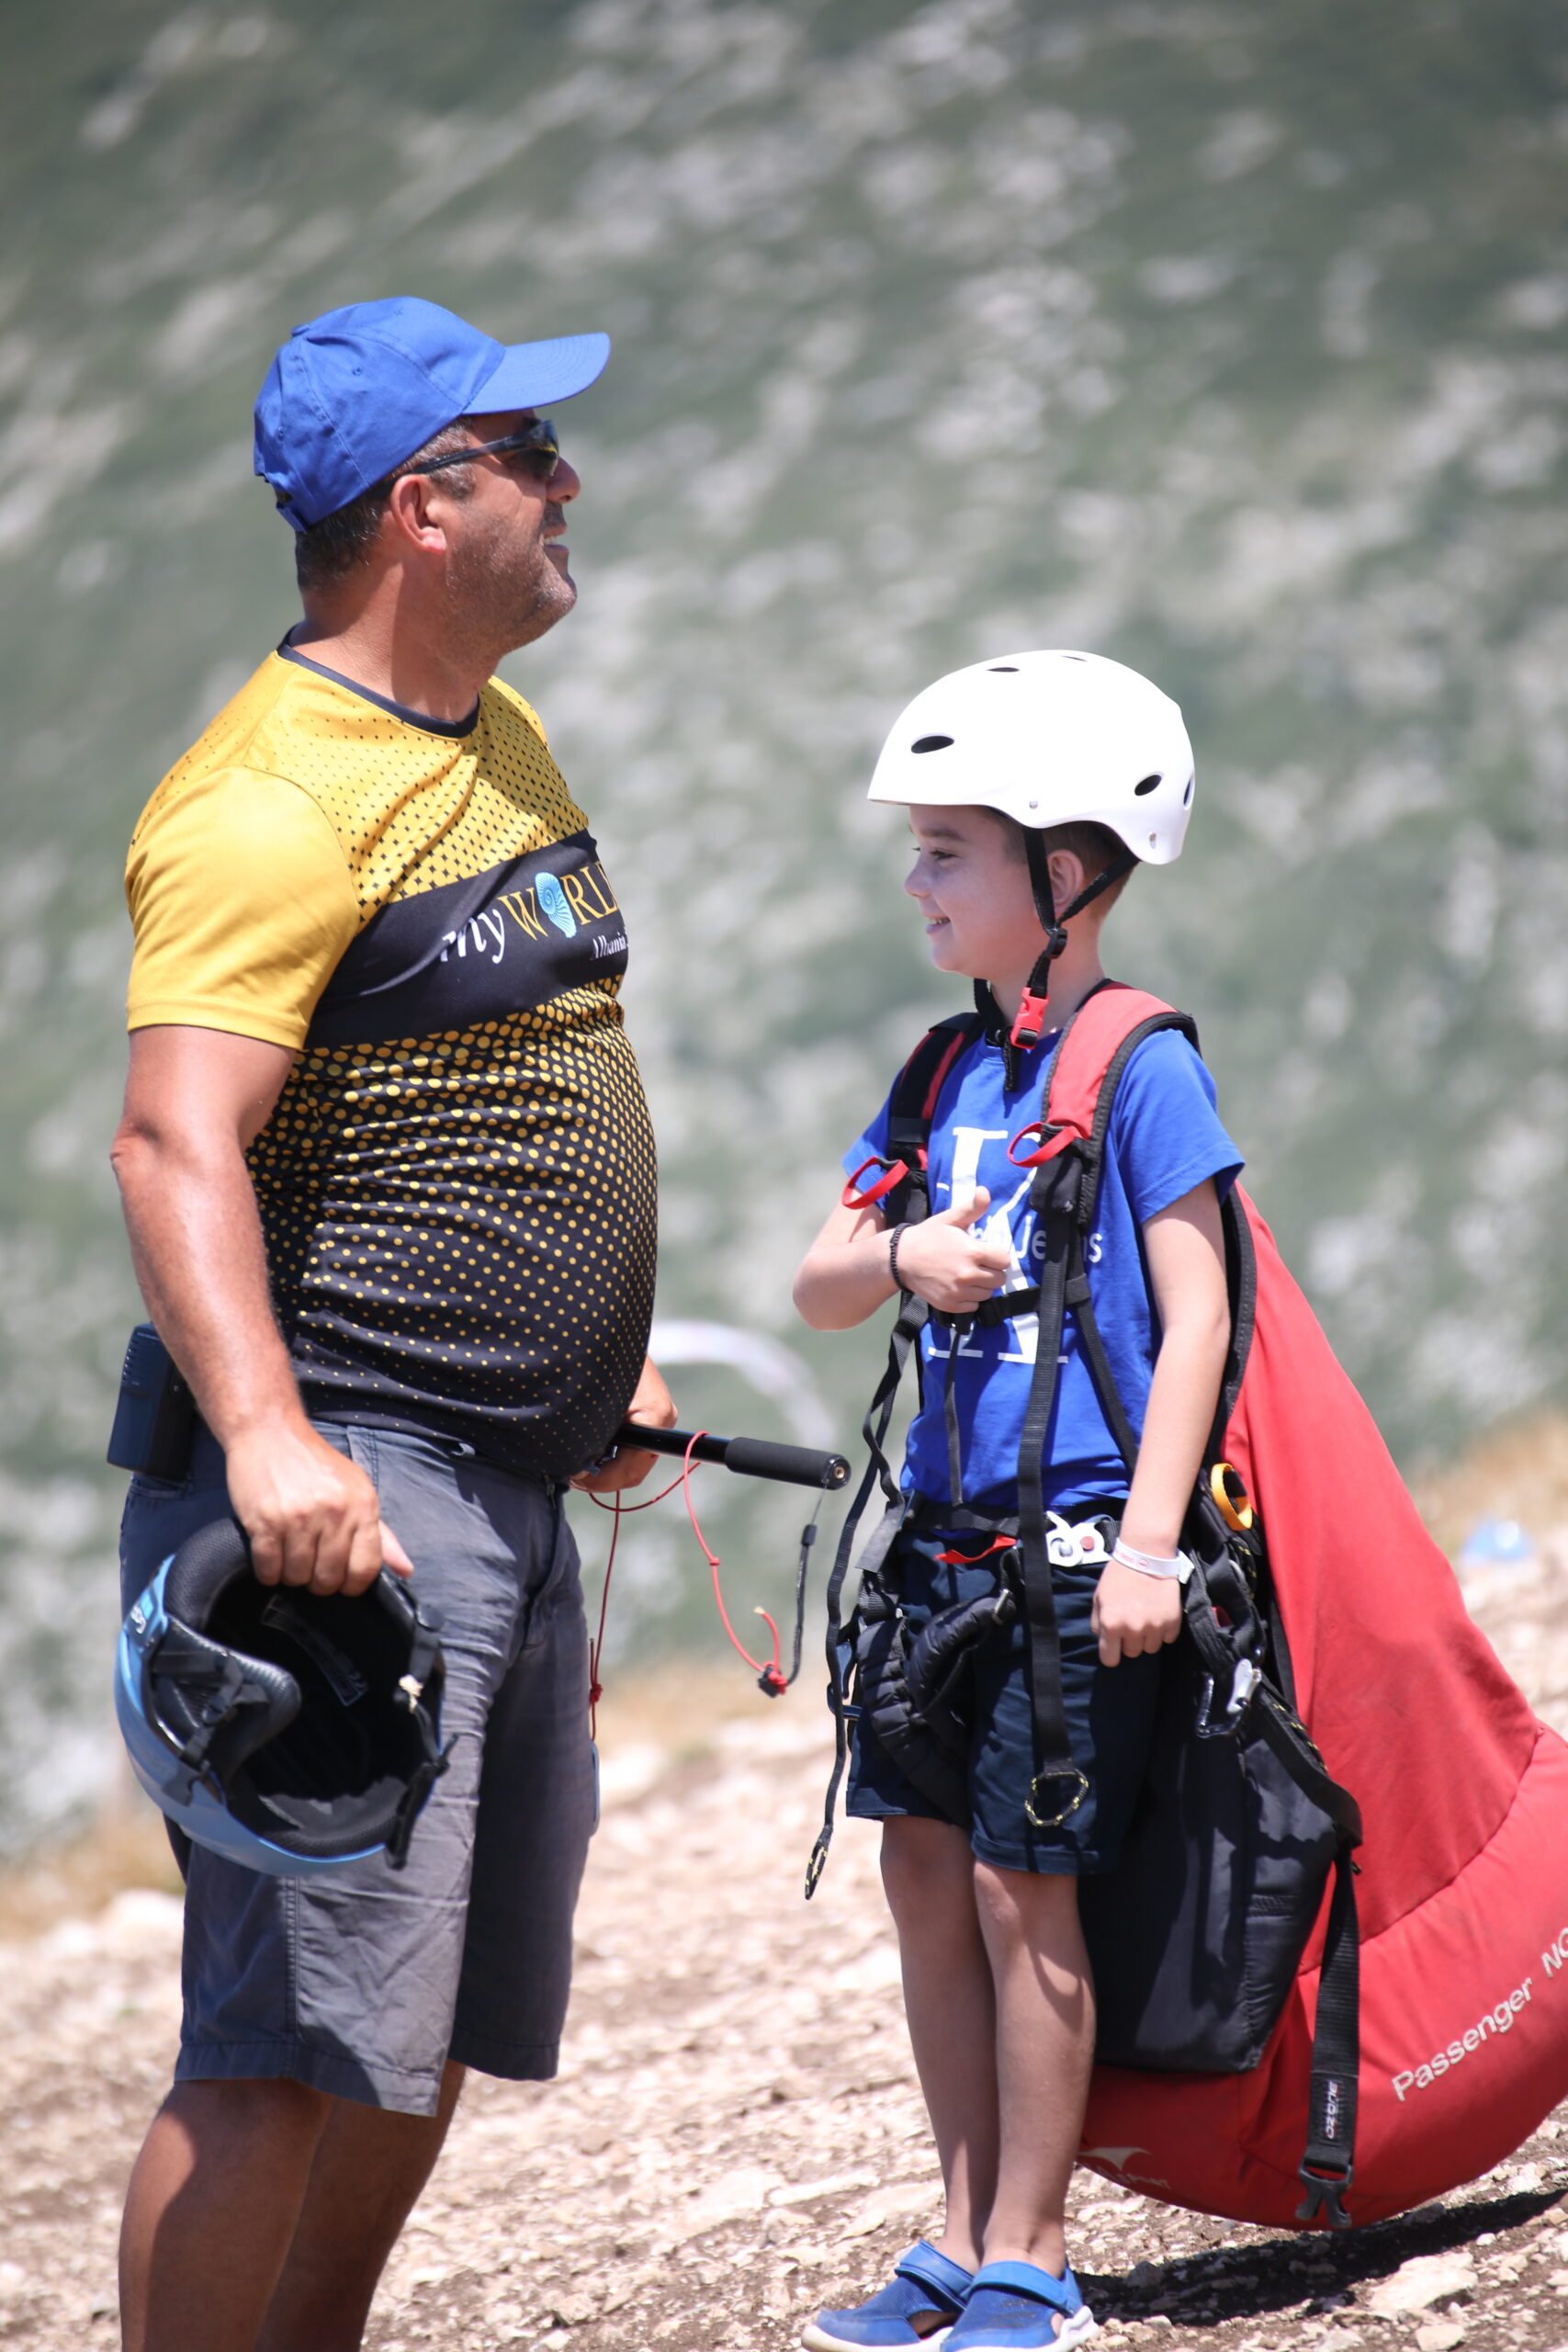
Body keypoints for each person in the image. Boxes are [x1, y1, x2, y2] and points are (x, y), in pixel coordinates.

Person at [108, 296, 674, 2352]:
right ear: (423, 509)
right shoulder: (264, 803)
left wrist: (590, 1355)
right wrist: (271, 1441)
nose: (567, 482)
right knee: (280, 2040)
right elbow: (173, 1140)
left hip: (497, 1467)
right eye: (528, 452)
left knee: (412, 2027)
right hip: (345, 1477)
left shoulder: (492, 734)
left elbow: (515, 1052)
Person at [792, 652, 1242, 2352]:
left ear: (1063, 871)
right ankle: (959, 2223)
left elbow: (1202, 1315)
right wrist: (904, 1253)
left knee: (1015, 1890)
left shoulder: (1142, 1065)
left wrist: (1149, 1548)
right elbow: (821, 1285)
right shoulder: (934, 1075)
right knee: (923, 1874)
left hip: (1076, 1555)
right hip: (939, 1559)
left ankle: (1032, 2255)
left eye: (947, 851)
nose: (915, 881)